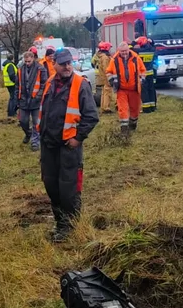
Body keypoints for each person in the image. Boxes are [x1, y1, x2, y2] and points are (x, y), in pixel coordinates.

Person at [36, 48, 99, 242]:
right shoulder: (49, 83)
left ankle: (71, 228)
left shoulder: (81, 84)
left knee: (68, 189)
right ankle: (60, 224)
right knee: (51, 186)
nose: (67, 67)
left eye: (69, 63)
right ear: (54, 64)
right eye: (63, 64)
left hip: (68, 147)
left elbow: (91, 117)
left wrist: (77, 139)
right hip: (49, 145)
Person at [106, 40, 146, 133]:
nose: (124, 53)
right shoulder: (114, 59)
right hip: (121, 89)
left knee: (135, 108)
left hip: (134, 88)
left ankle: (133, 124)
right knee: (122, 108)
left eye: (125, 51)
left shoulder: (136, 58)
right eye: (122, 51)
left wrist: (141, 80)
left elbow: (143, 70)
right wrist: (112, 81)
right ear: (119, 51)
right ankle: (124, 129)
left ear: (128, 49)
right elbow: (108, 72)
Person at [16, 48, 47, 150]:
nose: (27, 63)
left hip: (36, 100)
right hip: (24, 100)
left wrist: (38, 96)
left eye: (29, 61)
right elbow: (17, 85)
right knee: (23, 121)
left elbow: (44, 84)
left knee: (36, 123)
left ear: (33, 59)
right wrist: (17, 98)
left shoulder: (40, 69)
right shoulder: (20, 69)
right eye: (26, 61)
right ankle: (28, 133)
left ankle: (35, 142)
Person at [134, 36, 158, 113]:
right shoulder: (152, 50)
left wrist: (134, 42)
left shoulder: (139, 51)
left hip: (142, 75)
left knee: (144, 91)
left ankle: (146, 108)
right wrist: (152, 42)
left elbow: (129, 48)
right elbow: (154, 48)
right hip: (151, 73)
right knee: (151, 90)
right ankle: (153, 107)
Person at [92, 42, 114, 112]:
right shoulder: (105, 57)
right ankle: (106, 107)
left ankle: (103, 106)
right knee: (107, 91)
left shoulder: (99, 56)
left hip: (102, 76)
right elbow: (106, 68)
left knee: (104, 91)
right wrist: (109, 75)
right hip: (106, 76)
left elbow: (92, 63)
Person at [2, 52, 19, 117]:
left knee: (12, 98)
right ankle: (12, 113)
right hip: (12, 84)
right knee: (14, 98)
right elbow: (12, 75)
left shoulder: (6, 64)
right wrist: (16, 81)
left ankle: (10, 112)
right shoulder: (10, 65)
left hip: (8, 83)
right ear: (13, 58)